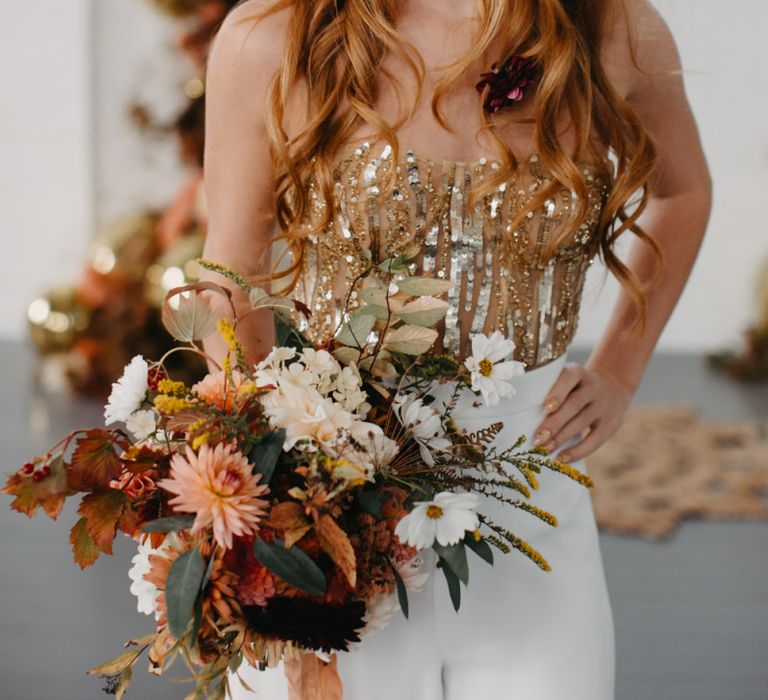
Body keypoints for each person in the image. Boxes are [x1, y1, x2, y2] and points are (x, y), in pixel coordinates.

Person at [200, 0, 711, 697]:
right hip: (338, 521)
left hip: (533, 521)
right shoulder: (277, 33)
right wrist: (268, 488)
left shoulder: (610, 26)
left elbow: (682, 190)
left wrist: (619, 370)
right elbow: (230, 273)